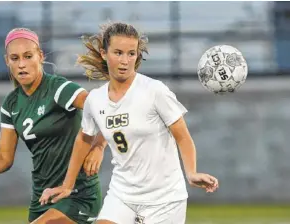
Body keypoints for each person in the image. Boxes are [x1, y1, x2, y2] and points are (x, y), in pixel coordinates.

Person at [39, 22, 219, 224]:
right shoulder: (95, 100)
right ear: (104, 53)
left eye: (131, 54)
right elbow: (84, 137)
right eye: (118, 52)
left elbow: (183, 136)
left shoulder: (154, 91)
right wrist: (67, 185)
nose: (125, 61)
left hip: (165, 199)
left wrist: (191, 172)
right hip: (122, 194)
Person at [0, 28, 107, 224]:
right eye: (15, 58)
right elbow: (4, 158)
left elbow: (105, 109)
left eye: (28, 56)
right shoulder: (11, 104)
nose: (22, 64)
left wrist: (99, 146)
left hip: (77, 193)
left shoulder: (58, 88)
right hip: (43, 196)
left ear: (40, 56)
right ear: (7, 61)